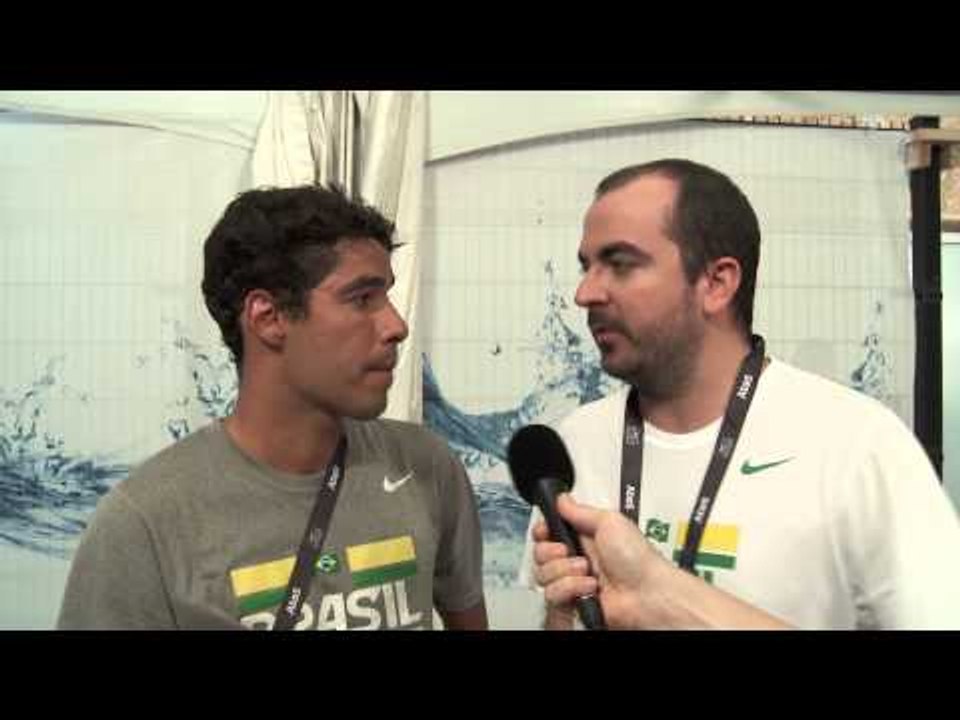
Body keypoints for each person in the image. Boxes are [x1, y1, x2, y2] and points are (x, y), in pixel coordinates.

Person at [521, 158, 960, 630]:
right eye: (586, 267)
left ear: (717, 282)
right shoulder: (575, 443)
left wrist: (670, 599)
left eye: (620, 264)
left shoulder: (860, 446)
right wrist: (562, 614)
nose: (585, 293)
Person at [58, 184, 487, 630]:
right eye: (362, 298)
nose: (396, 325)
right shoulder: (144, 521)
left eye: (387, 296)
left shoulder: (427, 468)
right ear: (268, 318)